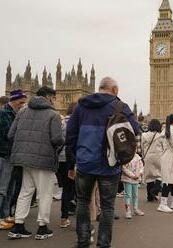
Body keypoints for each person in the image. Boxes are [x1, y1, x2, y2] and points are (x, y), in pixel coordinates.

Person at [66, 77, 139, 248]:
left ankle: (83, 241)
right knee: (107, 206)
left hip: (85, 163)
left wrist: (71, 165)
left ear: (99, 88)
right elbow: (134, 129)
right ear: (114, 90)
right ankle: (103, 244)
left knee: (83, 202)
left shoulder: (81, 106)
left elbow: (70, 136)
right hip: (110, 164)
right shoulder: (120, 106)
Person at [8, 86, 64, 240]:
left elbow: (11, 134)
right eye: (53, 97)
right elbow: (57, 139)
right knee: (45, 194)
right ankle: (42, 227)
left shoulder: (22, 111)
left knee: (25, 192)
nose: (54, 100)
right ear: (48, 97)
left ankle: (18, 225)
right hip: (44, 160)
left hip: (23, 159)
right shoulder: (54, 115)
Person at [0, 90, 27, 230]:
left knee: (10, 188)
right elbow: (7, 134)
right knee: (2, 188)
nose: (23, 105)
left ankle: (5, 216)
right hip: (4, 155)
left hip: (11, 155)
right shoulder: (4, 114)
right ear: (14, 100)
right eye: (21, 102)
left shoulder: (15, 113)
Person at [57, 103, 77, 228]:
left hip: (60, 159)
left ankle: (64, 218)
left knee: (66, 188)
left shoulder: (60, 122)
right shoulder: (77, 123)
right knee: (79, 190)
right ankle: (81, 222)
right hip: (73, 159)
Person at [142, 119, 163, 202]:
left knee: (149, 176)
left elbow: (142, 147)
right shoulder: (161, 136)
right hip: (158, 156)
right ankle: (155, 190)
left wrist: (144, 157)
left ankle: (150, 197)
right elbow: (163, 147)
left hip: (148, 156)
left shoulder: (144, 135)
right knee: (160, 174)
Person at [121, 153, 144, 219]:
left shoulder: (138, 157)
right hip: (127, 179)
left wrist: (139, 174)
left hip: (136, 179)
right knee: (128, 195)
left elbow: (141, 166)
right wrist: (132, 175)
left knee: (135, 195)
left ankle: (135, 209)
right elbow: (123, 168)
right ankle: (128, 211)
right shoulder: (126, 157)